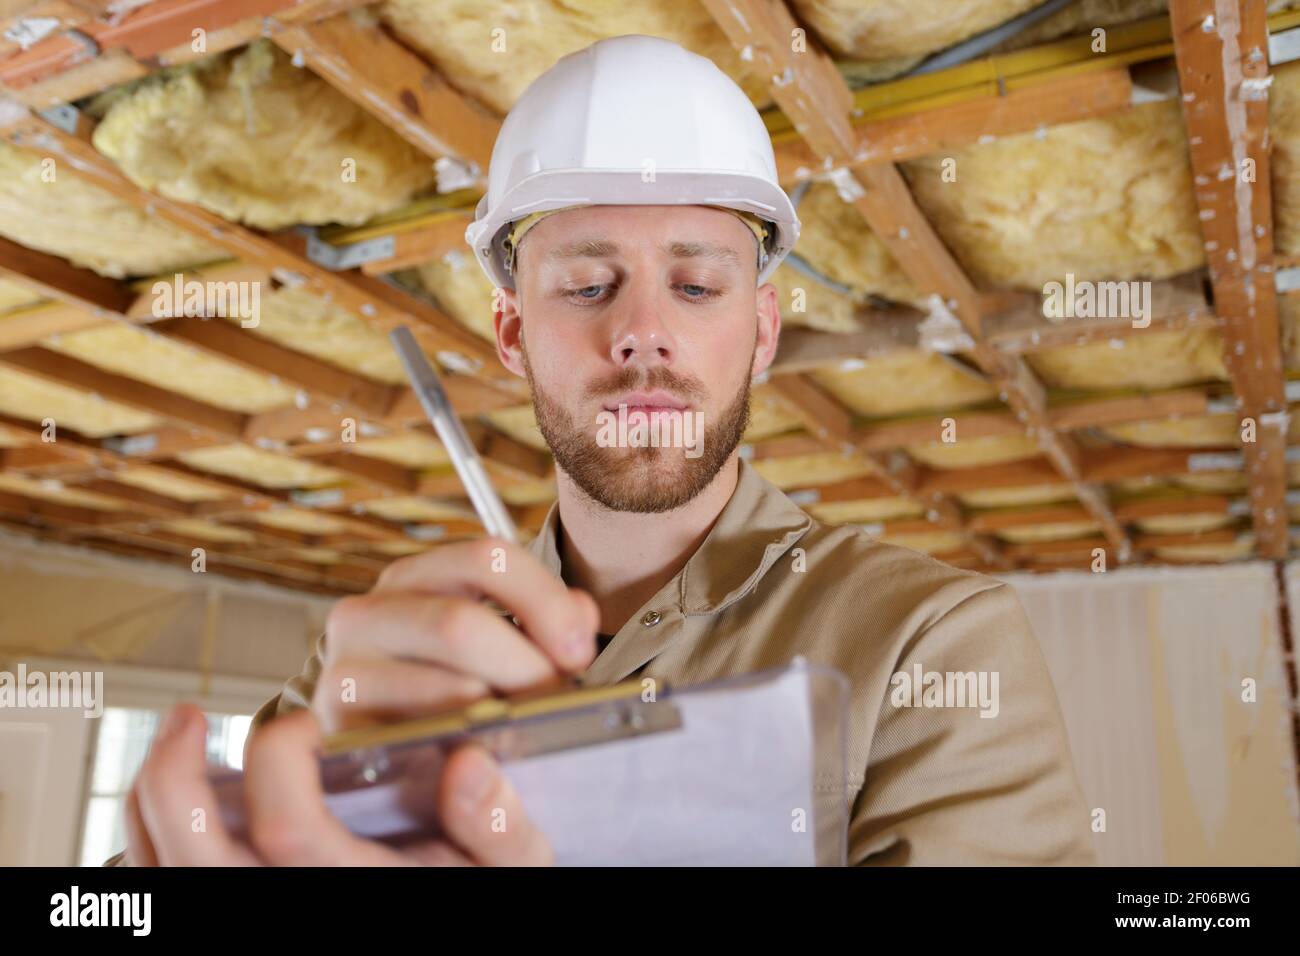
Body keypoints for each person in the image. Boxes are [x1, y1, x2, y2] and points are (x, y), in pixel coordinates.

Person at [120, 34, 1096, 867]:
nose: (640, 332)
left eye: (697, 287)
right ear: (510, 334)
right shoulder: (391, 653)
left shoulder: (930, 639)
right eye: (587, 285)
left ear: (761, 332)